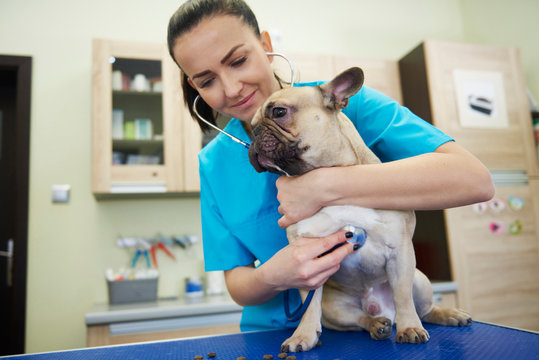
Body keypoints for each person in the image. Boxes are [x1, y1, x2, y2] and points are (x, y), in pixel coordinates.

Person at [167, 0, 494, 331]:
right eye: (207, 81)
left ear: (266, 47)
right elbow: (238, 284)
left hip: (389, 313)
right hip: (273, 336)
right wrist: (274, 274)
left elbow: (475, 180)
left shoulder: (343, 106)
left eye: (238, 61)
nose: (232, 89)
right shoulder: (213, 163)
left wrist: (323, 187)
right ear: (194, 87)